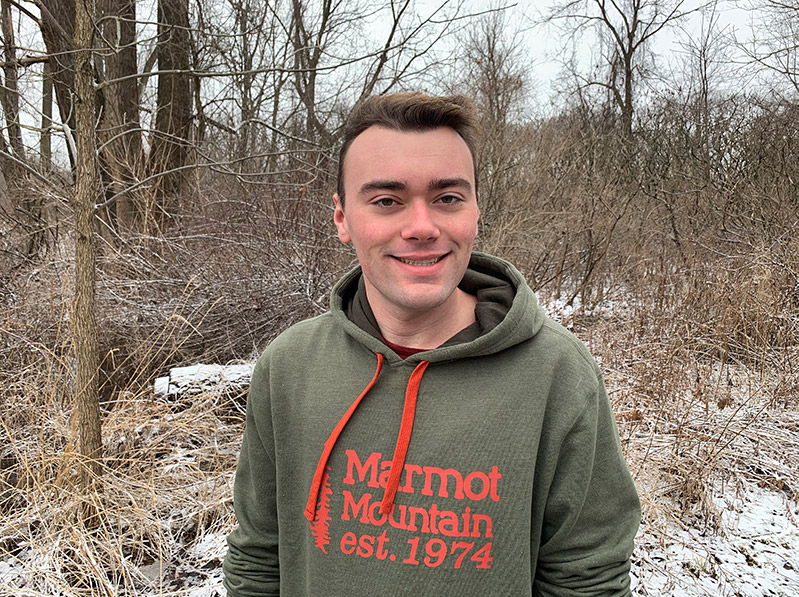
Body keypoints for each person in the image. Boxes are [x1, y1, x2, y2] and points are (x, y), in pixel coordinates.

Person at [223, 92, 640, 596]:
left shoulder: (557, 374)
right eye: (386, 201)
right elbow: (258, 561)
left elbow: (587, 580)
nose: (422, 227)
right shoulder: (289, 367)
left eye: (447, 198)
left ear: (475, 211)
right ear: (341, 217)